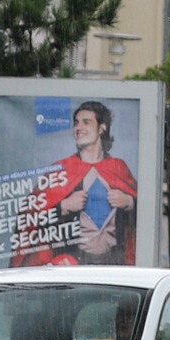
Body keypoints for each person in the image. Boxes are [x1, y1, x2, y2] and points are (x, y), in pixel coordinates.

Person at [32, 101, 137, 266]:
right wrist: (63, 206)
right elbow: (32, 218)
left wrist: (129, 202)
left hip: (114, 263)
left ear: (102, 128)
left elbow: (144, 216)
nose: (78, 127)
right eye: (76, 123)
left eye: (86, 122)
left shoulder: (119, 168)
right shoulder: (61, 170)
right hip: (73, 263)